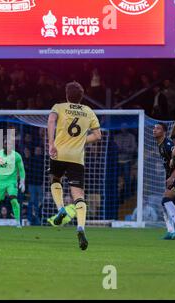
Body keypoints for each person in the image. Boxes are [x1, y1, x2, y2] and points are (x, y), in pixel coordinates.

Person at [46, 81, 101, 251]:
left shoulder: (59, 107)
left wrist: (51, 144)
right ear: (81, 97)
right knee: (78, 195)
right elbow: (98, 135)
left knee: (55, 179)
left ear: (67, 95)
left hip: (59, 153)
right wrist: (80, 142)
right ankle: (81, 228)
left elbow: (50, 121)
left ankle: (61, 209)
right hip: (77, 157)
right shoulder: (88, 111)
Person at [153, 123, 175, 239]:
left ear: (164, 132)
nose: (154, 130)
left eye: (158, 129)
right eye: (154, 128)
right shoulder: (160, 145)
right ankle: (171, 231)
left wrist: (172, 176)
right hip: (172, 177)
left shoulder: (168, 144)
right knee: (165, 203)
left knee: (166, 200)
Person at [0, 135, 26, 228]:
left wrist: (22, 182)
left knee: (14, 200)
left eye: (9, 144)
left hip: (11, 182)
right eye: (5, 144)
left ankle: (18, 222)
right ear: (3, 145)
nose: (7, 146)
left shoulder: (16, 156)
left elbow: (21, 169)